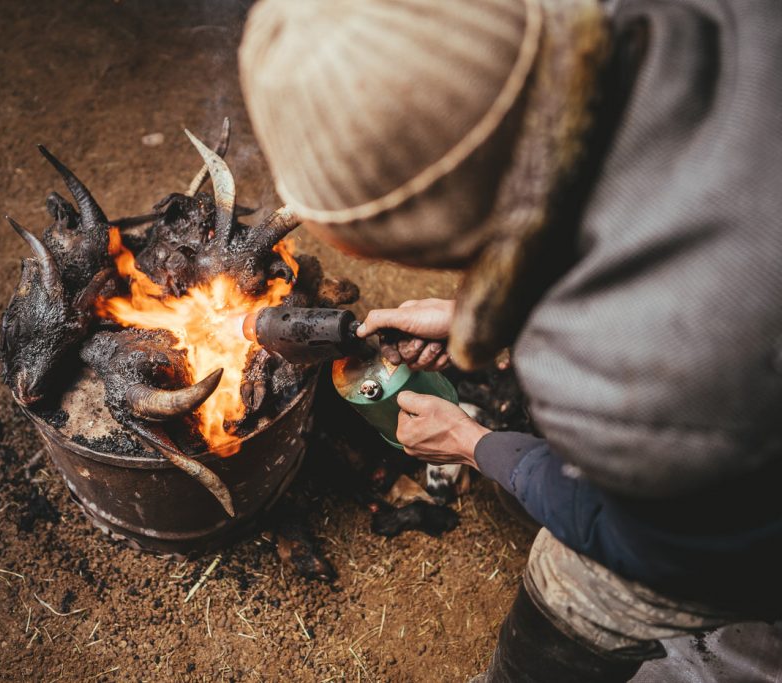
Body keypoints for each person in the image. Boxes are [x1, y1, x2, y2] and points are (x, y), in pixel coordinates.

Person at [238, 0, 782, 681]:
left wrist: (475, 443)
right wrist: (480, 314)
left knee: (574, 581)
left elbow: (644, 541)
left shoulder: (625, 379)